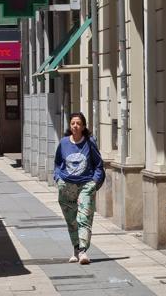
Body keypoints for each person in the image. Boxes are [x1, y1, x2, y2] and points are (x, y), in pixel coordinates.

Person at [54, 112, 105, 264]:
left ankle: (83, 251)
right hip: (66, 186)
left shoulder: (89, 143)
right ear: (70, 126)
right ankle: (76, 248)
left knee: (84, 217)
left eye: (78, 123)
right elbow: (57, 163)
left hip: (86, 185)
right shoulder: (63, 143)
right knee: (71, 220)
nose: (75, 126)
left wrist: (94, 182)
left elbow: (98, 164)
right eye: (73, 124)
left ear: (83, 127)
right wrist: (58, 178)